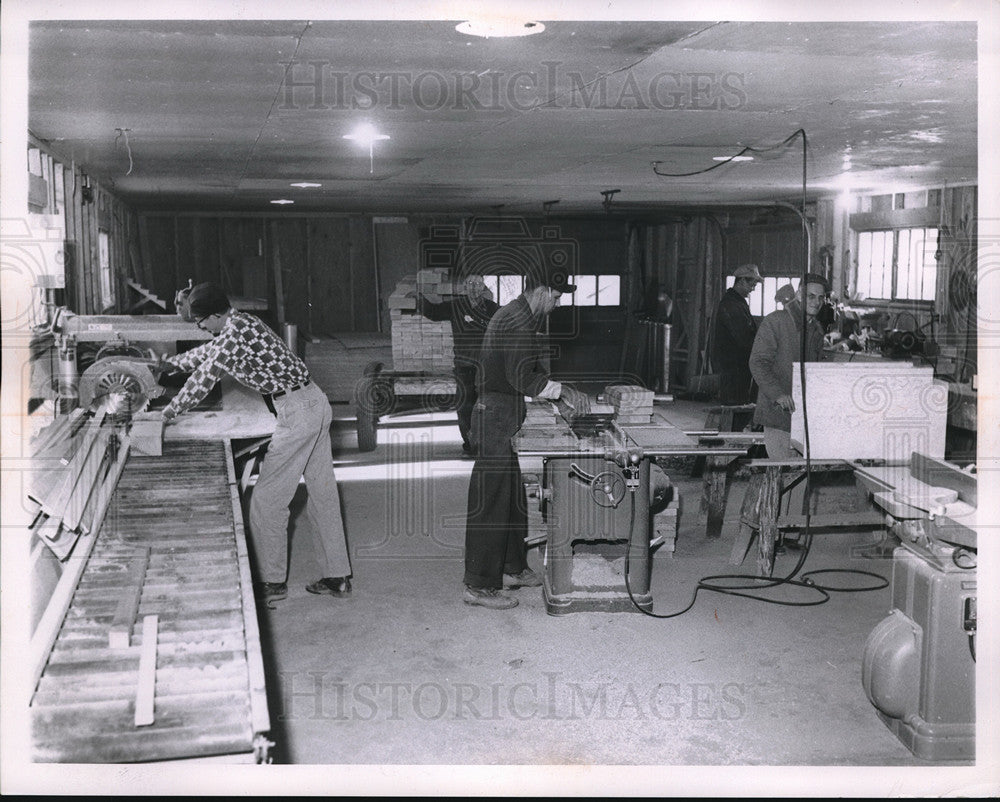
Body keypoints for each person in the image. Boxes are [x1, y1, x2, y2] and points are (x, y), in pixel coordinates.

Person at [157, 282, 352, 606]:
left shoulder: (233, 336)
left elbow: (204, 378)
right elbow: (207, 355)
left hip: (297, 413)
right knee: (323, 496)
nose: (202, 327)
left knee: (266, 501)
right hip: (314, 402)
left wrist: (167, 413)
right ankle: (337, 576)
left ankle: (272, 582)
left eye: (203, 321)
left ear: (218, 314)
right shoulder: (241, 323)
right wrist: (170, 365)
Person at [463, 267, 590, 610]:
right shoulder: (518, 321)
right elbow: (521, 376)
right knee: (490, 502)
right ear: (543, 291)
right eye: (558, 297)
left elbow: (524, 371)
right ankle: (478, 585)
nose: (559, 304)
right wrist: (562, 391)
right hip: (494, 414)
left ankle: (511, 567)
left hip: (502, 411)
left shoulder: (519, 315)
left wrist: (556, 394)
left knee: (511, 499)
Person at [749, 273, 830, 459]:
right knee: (784, 474)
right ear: (800, 294)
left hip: (804, 417)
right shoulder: (775, 322)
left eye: (820, 298)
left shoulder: (816, 330)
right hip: (778, 414)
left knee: (800, 478)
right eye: (811, 296)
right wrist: (777, 394)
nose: (816, 302)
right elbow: (758, 362)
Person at [418, 274, 500, 454]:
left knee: (488, 406)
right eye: (470, 283)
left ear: (483, 287)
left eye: (478, 284)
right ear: (465, 287)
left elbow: (504, 324)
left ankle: (488, 445)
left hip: (487, 366)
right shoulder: (456, 306)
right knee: (465, 407)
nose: (474, 287)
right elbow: (433, 312)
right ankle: (470, 444)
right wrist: (418, 298)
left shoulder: (493, 308)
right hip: (464, 365)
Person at [712, 264, 763, 405]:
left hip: (739, 366)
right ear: (741, 282)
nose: (753, 289)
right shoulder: (731, 304)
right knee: (734, 407)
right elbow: (743, 338)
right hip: (734, 367)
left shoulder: (738, 302)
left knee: (740, 405)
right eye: (752, 285)